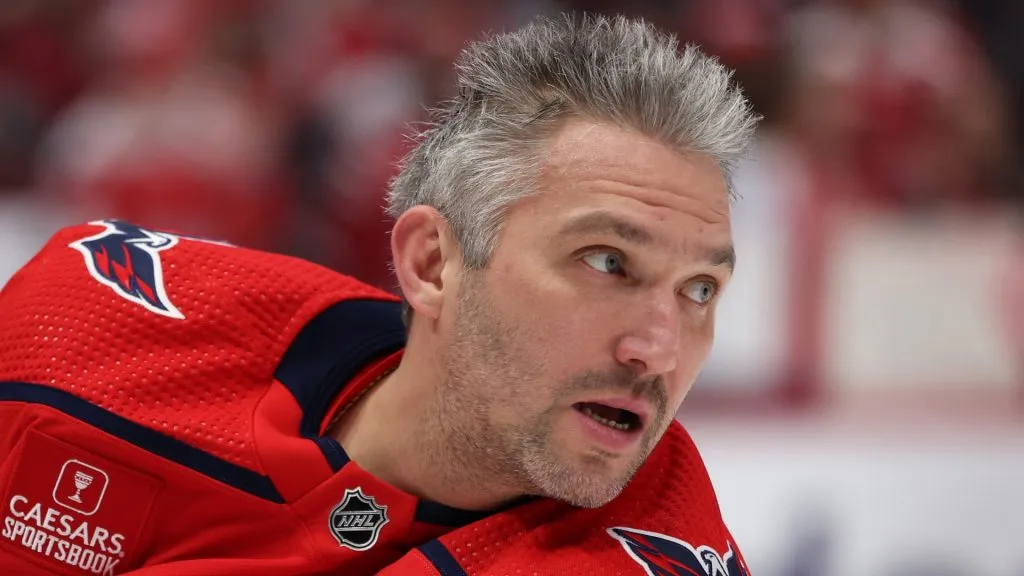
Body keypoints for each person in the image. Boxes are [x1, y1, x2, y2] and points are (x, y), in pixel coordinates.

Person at [0, 14, 759, 576]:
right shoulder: (85, 335)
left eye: (700, 288)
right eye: (607, 261)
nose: (657, 348)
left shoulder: (652, 554)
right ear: (433, 263)